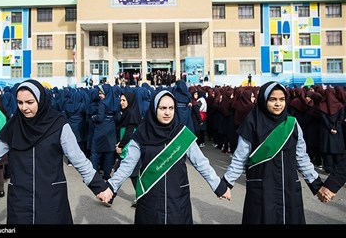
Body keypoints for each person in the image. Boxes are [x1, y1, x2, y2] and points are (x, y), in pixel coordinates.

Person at [0, 79, 108, 224]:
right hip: (20, 199)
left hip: (51, 198)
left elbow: (78, 159)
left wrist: (100, 187)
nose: (24, 107)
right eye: (20, 102)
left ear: (41, 100)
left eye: (30, 102)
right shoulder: (13, 127)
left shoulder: (59, 125)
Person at [98, 90, 230, 224]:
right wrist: (111, 187)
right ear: (154, 109)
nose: (167, 112)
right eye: (162, 108)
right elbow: (127, 166)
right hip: (150, 198)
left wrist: (219, 186)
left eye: (171, 108)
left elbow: (201, 163)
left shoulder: (182, 134)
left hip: (178, 198)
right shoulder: (142, 135)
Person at [222, 81, 323, 224]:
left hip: (289, 189)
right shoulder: (252, 123)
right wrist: (225, 184)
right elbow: (239, 159)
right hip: (262, 190)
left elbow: (301, 158)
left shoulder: (292, 124)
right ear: (263, 100)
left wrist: (316, 184)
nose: (278, 104)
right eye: (272, 99)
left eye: (281, 100)